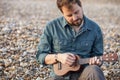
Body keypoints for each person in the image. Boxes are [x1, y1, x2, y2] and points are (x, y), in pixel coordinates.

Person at [36, 0, 106, 80]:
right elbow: (40, 56)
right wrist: (58, 57)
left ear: (81, 6)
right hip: (59, 77)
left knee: (94, 70)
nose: (75, 17)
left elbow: (98, 56)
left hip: (84, 75)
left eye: (77, 12)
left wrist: (97, 62)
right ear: (62, 13)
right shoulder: (52, 27)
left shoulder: (95, 29)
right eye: (69, 15)